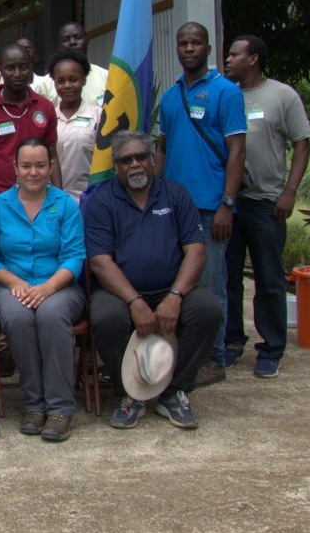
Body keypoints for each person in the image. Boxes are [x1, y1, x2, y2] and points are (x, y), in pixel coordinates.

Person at [84, 131, 221, 430]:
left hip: (170, 288)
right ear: (116, 166)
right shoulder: (101, 201)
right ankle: (128, 394)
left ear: (153, 160)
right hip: (119, 292)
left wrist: (175, 296)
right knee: (105, 317)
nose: (134, 165)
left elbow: (196, 251)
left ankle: (174, 392)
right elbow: (100, 261)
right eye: (125, 160)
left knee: (208, 310)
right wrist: (134, 301)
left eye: (141, 157)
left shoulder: (176, 194)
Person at [157, 22, 246, 387]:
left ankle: (215, 358)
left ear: (208, 48)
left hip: (210, 207)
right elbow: (162, 147)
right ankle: (185, 350)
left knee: (211, 285)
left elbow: (237, 150)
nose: (189, 48)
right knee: (177, 282)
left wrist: (228, 202)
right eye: (183, 43)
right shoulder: (170, 95)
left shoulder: (226, 92)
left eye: (196, 42)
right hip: (173, 205)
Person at [0, 139, 86, 441]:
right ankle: (34, 404)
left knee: (51, 316)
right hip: (10, 286)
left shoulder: (65, 204)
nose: (33, 172)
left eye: (40, 165)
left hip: (60, 286)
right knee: (17, 317)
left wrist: (47, 287)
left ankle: (59, 409)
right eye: (26, 166)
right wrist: (17, 284)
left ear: (51, 166)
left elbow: (74, 255)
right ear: (14, 167)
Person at [223, 35, 310, 378]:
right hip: (229, 204)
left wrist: (289, 191)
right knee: (228, 276)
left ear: (254, 58)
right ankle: (232, 341)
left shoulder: (282, 95)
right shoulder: (226, 94)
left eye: (235, 54)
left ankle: (272, 348)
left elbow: (302, 146)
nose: (228, 59)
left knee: (269, 278)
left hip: (265, 203)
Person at [0, 43, 61, 200]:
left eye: (23, 67)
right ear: (0, 69)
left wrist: (60, 198)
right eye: (10, 68)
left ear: (31, 67)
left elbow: (52, 154)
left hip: (41, 195)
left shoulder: (45, 107)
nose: (17, 74)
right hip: (0, 198)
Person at [49, 47, 103, 200]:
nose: (67, 85)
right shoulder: (47, 117)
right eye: (61, 81)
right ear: (54, 83)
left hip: (89, 200)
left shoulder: (98, 116)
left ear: (84, 80)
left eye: (73, 79)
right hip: (53, 201)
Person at [58, 21, 107, 106]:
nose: (72, 42)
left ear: (87, 41)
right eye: (66, 39)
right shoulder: (46, 84)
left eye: (77, 37)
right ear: (60, 46)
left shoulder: (106, 77)